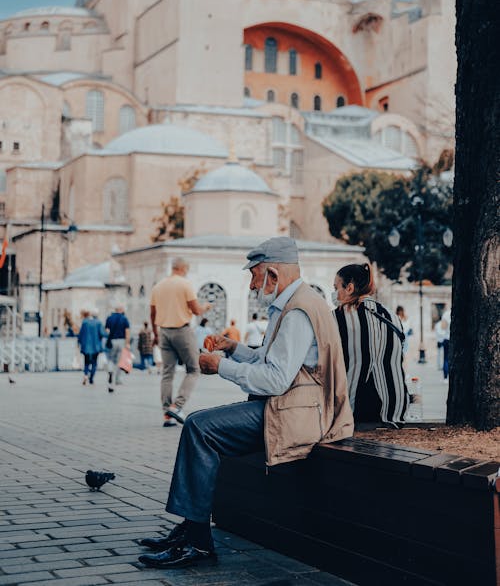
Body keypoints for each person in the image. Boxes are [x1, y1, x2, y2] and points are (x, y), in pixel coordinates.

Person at [138, 237, 353, 569]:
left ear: (272, 274)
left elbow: (276, 379)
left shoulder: (298, 311)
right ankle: (191, 529)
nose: (252, 285)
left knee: (199, 427)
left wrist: (219, 366)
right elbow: (268, 360)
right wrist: (231, 348)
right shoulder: (298, 302)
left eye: (254, 276)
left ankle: (196, 540)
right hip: (290, 407)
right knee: (201, 426)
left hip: (300, 415)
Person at [333, 263, 409, 427]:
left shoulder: (336, 318)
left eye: (336, 287)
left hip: (352, 411)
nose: (335, 294)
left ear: (350, 288)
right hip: (394, 410)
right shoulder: (392, 317)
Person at [150, 257, 211, 427]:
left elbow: (152, 314)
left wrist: (155, 334)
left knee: (167, 373)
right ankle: (177, 406)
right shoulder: (184, 284)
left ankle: (167, 415)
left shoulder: (158, 286)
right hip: (182, 331)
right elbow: (196, 310)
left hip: (163, 332)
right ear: (183, 268)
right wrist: (205, 306)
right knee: (194, 368)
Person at [104, 304, 130, 393]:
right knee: (119, 361)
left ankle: (111, 371)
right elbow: (127, 331)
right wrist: (127, 343)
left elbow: (107, 330)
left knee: (111, 359)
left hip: (112, 341)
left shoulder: (109, 318)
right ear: (121, 309)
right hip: (121, 341)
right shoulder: (124, 318)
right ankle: (118, 379)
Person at [77, 309, 104, 385]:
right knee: (94, 363)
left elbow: (80, 334)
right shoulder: (98, 322)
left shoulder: (85, 322)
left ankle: (85, 375)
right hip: (95, 346)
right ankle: (91, 377)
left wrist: (79, 343)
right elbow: (102, 333)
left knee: (86, 362)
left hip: (86, 346)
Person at [435, 314, 450, 380]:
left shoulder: (446, 315)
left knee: (446, 358)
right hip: (449, 339)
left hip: (446, 339)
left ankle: (445, 377)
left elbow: (442, 328)